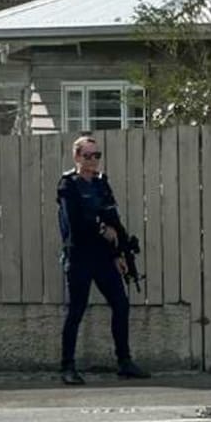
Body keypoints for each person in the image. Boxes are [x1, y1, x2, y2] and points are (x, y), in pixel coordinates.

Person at [56, 135, 150, 385]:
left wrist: (119, 253)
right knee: (76, 310)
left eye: (96, 155)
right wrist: (101, 229)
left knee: (121, 304)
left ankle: (124, 362)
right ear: (77, 157)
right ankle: (67, 367)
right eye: (88, 155)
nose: (93, 160)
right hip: (78, 256)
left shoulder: (101, 184)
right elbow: (75, 222)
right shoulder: (68, 185)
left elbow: (113, 219)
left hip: (102, 257)